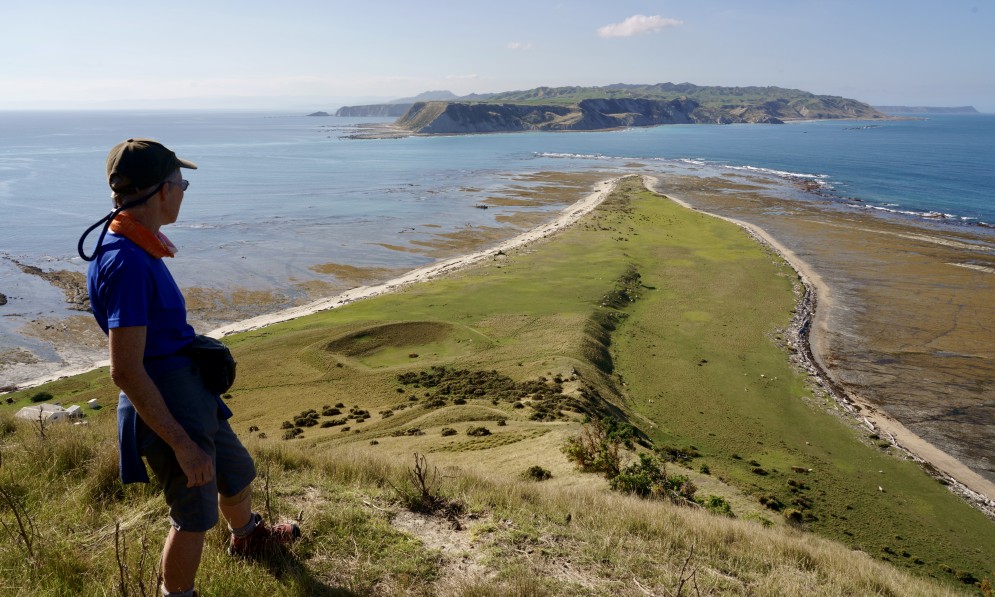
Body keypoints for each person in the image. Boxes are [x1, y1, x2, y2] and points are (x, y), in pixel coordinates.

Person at [83, 139, 299, 597]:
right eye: (181, 183)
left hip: (187, 388)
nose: (183, 190)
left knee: (235, 470)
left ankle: (248, 538)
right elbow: (124, 370)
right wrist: (181, 444)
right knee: (193, 514)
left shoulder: (133, 246)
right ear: (162, 190)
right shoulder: (126, 263)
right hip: (167, 398)